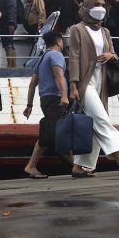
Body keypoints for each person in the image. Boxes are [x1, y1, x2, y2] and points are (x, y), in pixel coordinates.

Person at [68, 0, 119, 177]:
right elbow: (73, 57)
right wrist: (73, 85)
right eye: (97, 4)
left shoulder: (105, 31)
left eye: (104, 4)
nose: (101, 7)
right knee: (101, 118)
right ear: (87, 7)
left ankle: (80, 166)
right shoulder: (77, 29)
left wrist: (110, 56)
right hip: (84, 80)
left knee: (94, 122)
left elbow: (114, 53)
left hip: (102, 78)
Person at [23, 32, 70, 179]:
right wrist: (64, 95)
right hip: (55, 98)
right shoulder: (56, 55)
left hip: (45, 99)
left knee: (53, 132)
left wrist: (29, 104)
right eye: (62, 40)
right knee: (53, 134)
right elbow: (58, 75)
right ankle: (31, 166)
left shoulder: (42, 59)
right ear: (58, 41)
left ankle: (77, 165)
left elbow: (32, 85)